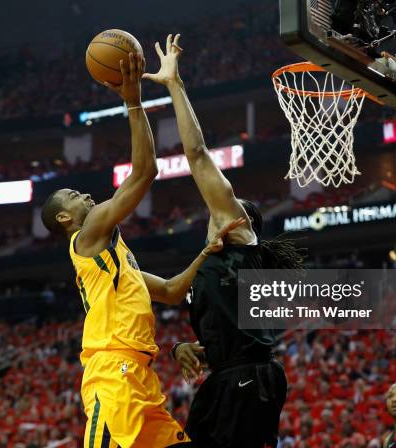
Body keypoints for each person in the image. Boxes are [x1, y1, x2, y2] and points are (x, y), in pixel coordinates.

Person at [41, 53, 243, 448]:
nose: (82, 194)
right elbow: (145, 171)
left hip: (140, 376)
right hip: (112, 374)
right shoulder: (88, 235)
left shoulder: (116, 260)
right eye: (72, 196)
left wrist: (206, 251)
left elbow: (168, 290)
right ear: (66, 220)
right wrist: (132, 101)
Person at [143, 34, 304, 448]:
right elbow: (232, 334)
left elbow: (196, 154)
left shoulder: (238, 235)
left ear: (242, 222)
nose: (218, 209)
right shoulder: (216, 264)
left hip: (248, 378)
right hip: (230, 377)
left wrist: (174, 85)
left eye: (229, 207)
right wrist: (187, 346)